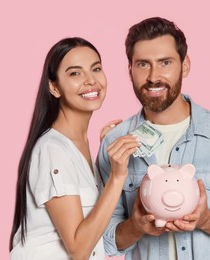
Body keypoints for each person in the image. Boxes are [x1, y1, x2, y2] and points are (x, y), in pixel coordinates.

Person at [97, 17, 210, 259]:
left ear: (185, 65)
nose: (154, 76)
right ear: (130, 70)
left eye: (165, 62)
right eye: (143, 64)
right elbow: (101, 237)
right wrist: (135, 228)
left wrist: (207, 219)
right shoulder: (114, 143)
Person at [9, 37, 140, 260]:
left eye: (96, 69)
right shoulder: (53, 150)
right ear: (54, 86)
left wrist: (105, 160)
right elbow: (78, 249)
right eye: (75, 73)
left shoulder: (80, 146)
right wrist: (118, 176)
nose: (91, 80)